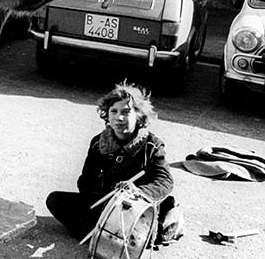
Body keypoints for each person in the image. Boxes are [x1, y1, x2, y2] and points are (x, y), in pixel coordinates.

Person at [46, 82, 180, 245]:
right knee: (55, 200)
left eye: (126, 112)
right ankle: (110, 235)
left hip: (135, 209)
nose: (119, 117)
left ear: (138, 115)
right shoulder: (99, 142)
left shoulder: (152, 145)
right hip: (106, 204)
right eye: (113, 111)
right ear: (106, 115)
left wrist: (136, 193)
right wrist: (104, 200)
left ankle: (112, 235)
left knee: (146, 223)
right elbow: (85, 180)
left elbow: (164, 181)